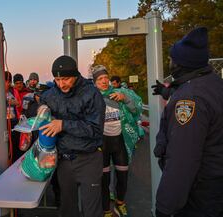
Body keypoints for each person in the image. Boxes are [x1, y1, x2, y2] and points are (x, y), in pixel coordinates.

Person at [153, 27, 223, 217]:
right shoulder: (213, 83)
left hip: (199, 196)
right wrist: (167, 92)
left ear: (180, 64)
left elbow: (183, 159)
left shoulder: (189, 100)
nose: (169, 62)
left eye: (171, 59)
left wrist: (165, 207)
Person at [39, 55, 105, 217]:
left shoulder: (92, 93)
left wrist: (62, 124)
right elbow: (42, 99)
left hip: (89, 159)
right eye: (57, 80)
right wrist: (41, 108)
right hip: (63, 161)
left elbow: (95, 129)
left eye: (66, 79)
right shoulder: (52, 93)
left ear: (75, 75)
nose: (61, 84)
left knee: (92, 209)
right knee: (67, 208)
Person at [91, 65, 142, 217]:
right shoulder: (92, 98)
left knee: (123, 176)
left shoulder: (120, 93)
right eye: (100, 79)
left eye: (106, 77)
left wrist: (125, 99)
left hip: (119, 141)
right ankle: (106, 210)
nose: (104, 81)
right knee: (104, 180)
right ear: (95, 83)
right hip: (103, 144)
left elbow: (136, 110)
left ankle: (120, 203)